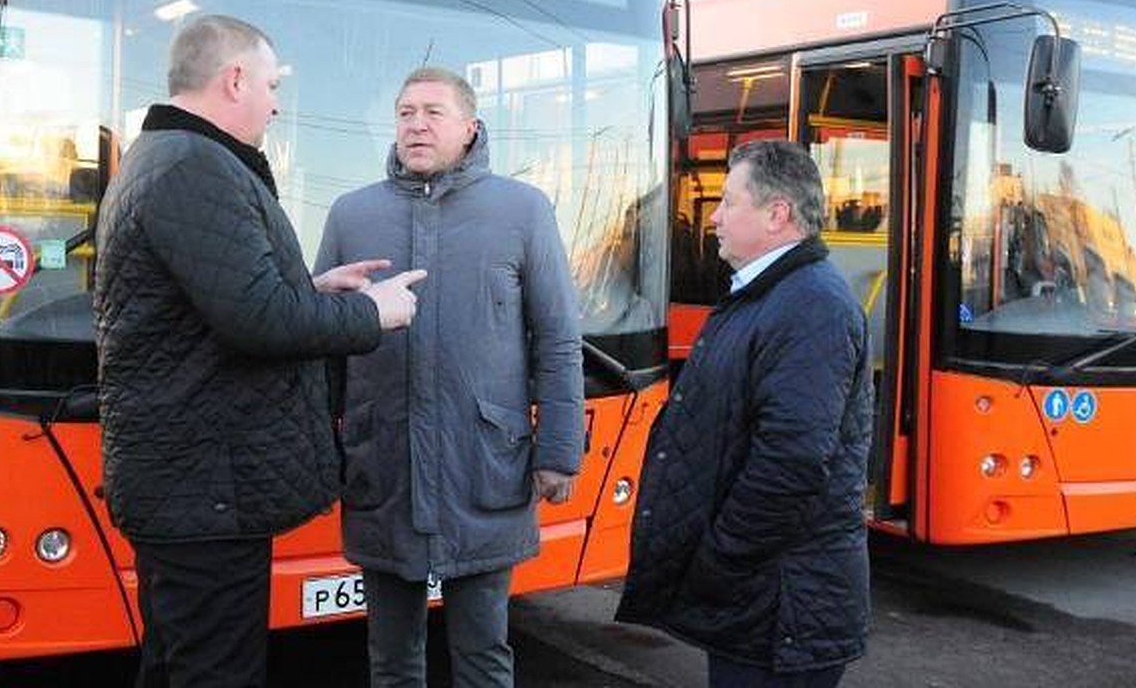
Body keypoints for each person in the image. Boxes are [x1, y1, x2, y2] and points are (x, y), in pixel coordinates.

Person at [94, 14, 426, 688]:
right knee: (216, 672)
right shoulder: (192, 165)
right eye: (273, 85)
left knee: (177, 664)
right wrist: (371, 312)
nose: (277, 103)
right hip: (206, 489)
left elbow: (220, 301)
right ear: (235, 79)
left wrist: (312, 288)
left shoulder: (168, 157)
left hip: (192, 486)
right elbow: (258, 321)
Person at [315, 66, 584, 688]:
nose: (416, 124)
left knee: (484, 655)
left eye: (433, 112)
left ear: (470, 126)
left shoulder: (522, 210)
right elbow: (319, 343)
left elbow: (558, 337)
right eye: (406, 112)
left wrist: (560, 451)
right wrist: (320, 456)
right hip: (383, 467)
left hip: (485, 467)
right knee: (391, 659)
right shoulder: (352, 214)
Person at [617, 138, 874, 688]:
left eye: (730, 202)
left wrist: (720, 559)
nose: (714, 217)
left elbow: (792, 462)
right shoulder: (766, 295)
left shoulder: (810, 305)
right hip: (762, 601)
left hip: (782, 605)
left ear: (777, 214)